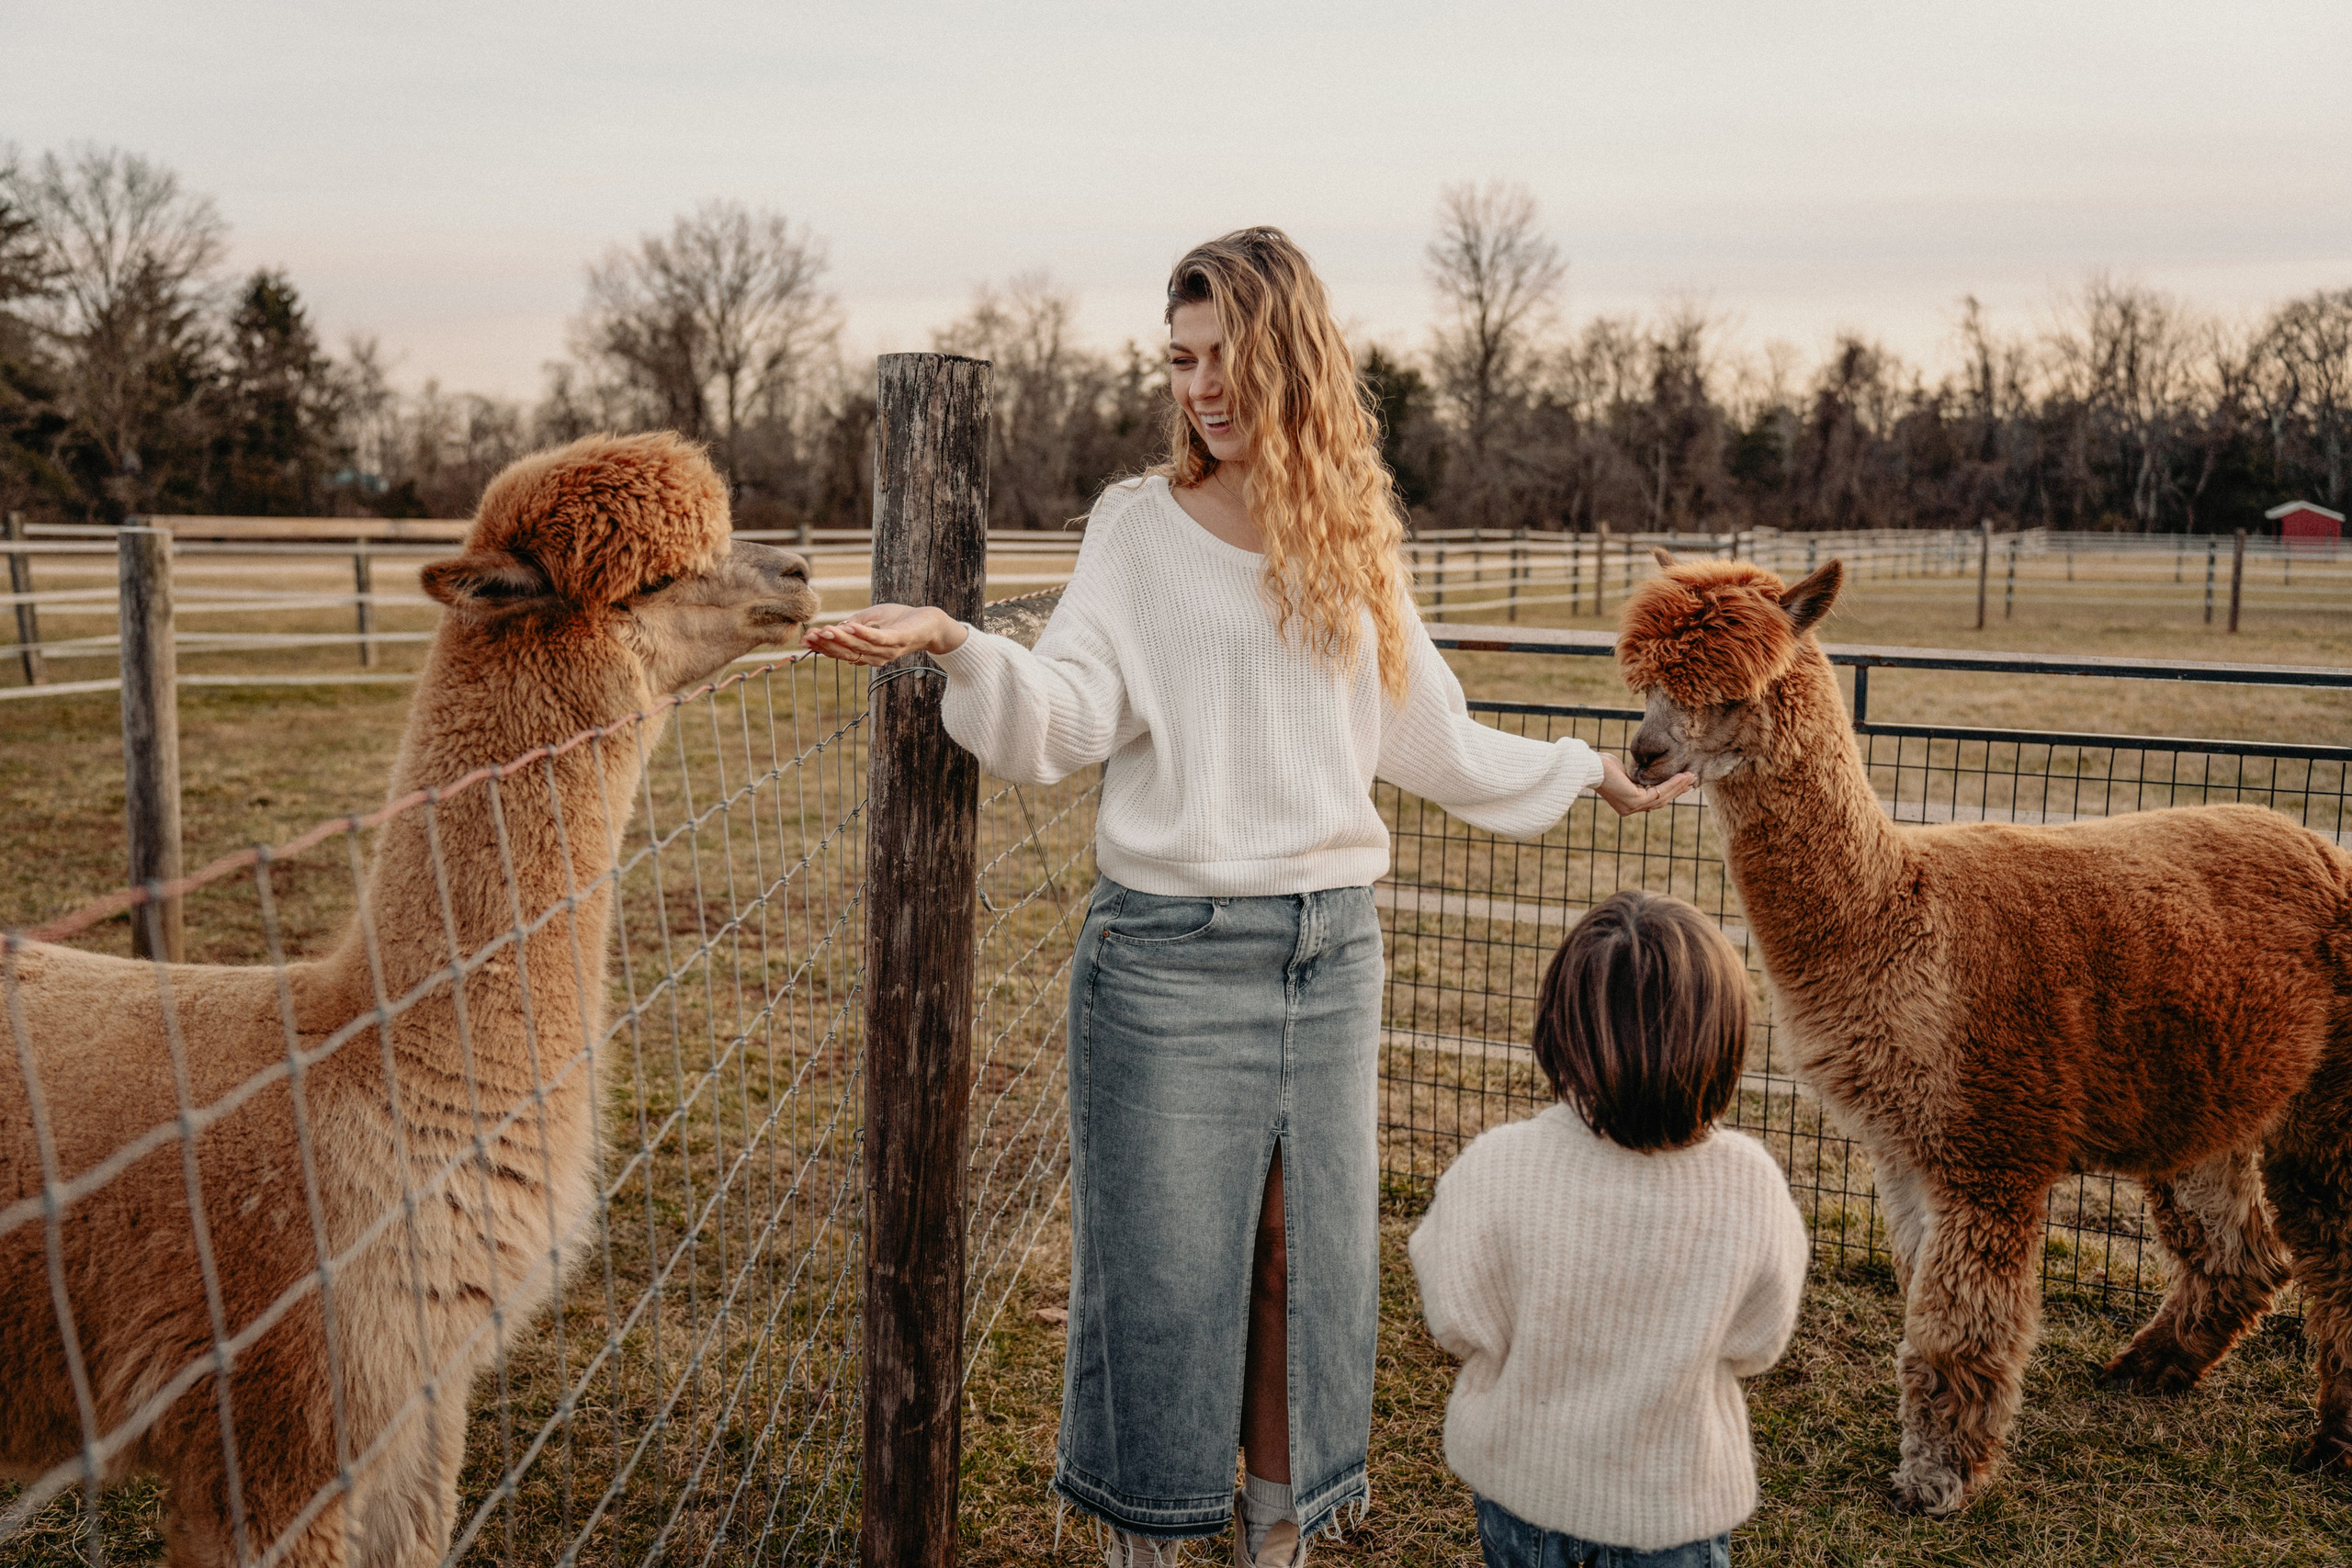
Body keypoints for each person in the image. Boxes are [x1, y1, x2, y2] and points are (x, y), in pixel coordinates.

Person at [805, 227, 1694, 1568]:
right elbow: (1068, 715)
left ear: (1291, 357)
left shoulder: (1349, 538)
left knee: (1306, 1271)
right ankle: (1148, 1542)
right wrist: (959, 643)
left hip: (1332, 955)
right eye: (1179, 358)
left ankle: (1276, 1536)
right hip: (1169, 959)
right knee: (1162, 1287)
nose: (1199, 386)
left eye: (1224, 355)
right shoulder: (1135, 526)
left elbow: (1430, 733)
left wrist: (1584, 773)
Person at [1408, 889, 1809, 1568]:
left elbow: (1458, 1317)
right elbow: (1757, 1339)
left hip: (1525, 1497)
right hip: (1672, 1513)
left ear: (1560, 1023)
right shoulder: (1751, 1184)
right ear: (1725, 1036)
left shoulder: (1498, 1166)